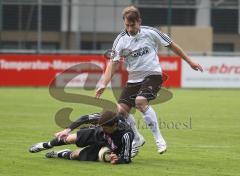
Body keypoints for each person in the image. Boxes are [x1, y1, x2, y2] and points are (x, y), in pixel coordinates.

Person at [95, 6, 203, 156]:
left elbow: (172, 45)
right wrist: (103, 84)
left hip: (153, 74)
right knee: (120, 111)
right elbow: (113, 63)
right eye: (127, 25)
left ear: (139, 21)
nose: (130, 28)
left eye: (133, 25)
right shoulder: (120, 41)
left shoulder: (151, 33)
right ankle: (137, 138)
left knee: (140, 101)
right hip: (134, 79)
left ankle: (159, 139)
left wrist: (190, 62)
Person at [29, 111, 134, 164]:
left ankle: (60, 154)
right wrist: (67, 130)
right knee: (69, 138)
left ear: (115, 125)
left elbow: (126, 158)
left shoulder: (126, 134)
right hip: (97, 134)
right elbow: (84, 118)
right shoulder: (105, 119)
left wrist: (117, 159)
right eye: (102, 126)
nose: (103, 129)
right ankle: (45, 145)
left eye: (105, 128)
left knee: (75, 155)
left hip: (109, 147)